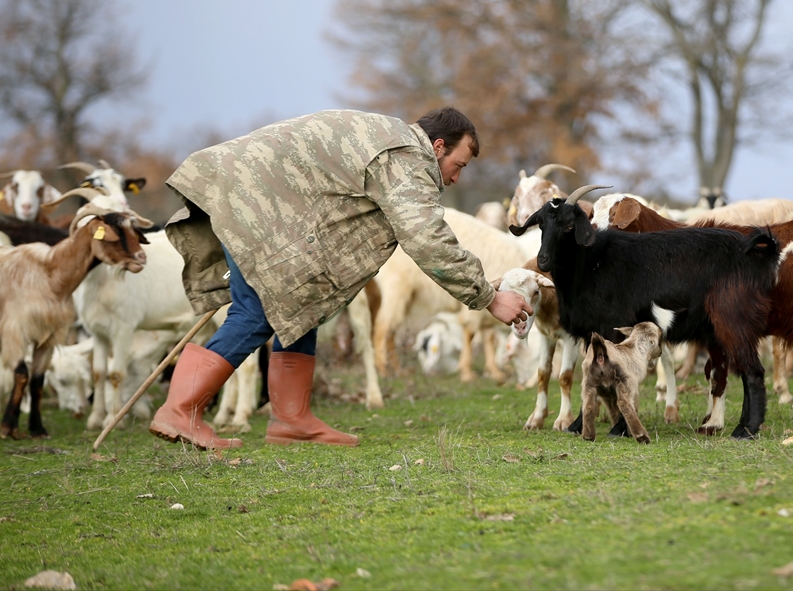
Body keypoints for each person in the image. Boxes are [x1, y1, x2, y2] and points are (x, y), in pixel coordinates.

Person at [150, 107, 532, 449]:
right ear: (437, 147)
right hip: (252, 202)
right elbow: (425, 236)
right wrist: (488, 298)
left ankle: (292, 419)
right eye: (459, 164)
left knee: (302, 299)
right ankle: (180, 410)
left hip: (252, 194)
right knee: (256, 311)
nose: (457, 178)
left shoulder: (392, 141)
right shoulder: (406, 158)